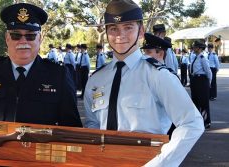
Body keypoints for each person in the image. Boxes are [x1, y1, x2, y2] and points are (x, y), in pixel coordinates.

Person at [0, 3, 82, 165]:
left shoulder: (58, 75)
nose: (23, 41)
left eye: (30, 35)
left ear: (40, 39)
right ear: (7, 38)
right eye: (16, 35)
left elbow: (72, 126)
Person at [84, 0, 204, 166]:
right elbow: (93, 125)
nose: (120, 35)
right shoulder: (96, 79)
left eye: (128, 27)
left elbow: (192, 123)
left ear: (141, 32)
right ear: (106, 33)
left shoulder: (157, 75)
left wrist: (159, 163)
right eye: (113, 28)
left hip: (146, 161)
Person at [189, 40, 212, 129]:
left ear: (199, 48)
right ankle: (198, 121)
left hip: (202, 81)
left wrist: (209, 83)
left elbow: (208, 72)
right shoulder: (196, 57)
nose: (193, 48)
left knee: (203, 102)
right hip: (195, 80)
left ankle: (206, 121)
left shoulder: (203, 58)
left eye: (195, 47)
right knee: (195, 101)